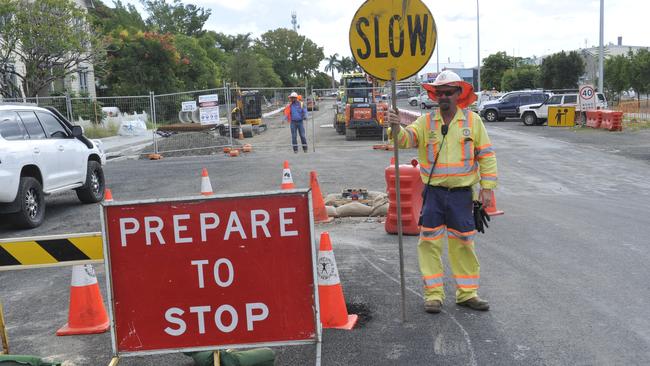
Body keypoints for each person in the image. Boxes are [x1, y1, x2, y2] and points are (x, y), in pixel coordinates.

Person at [387, 70, 498, 314]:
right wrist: (395, 128)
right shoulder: (426, 122)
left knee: (464, 244)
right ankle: (434, 295)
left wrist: (487, 188)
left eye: (449, 92)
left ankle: (467, 294)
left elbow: (486, 155)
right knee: (429, 244)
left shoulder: (473, 122)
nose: (444, 96)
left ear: (459, 93)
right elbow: (405, 140)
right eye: (440, 93)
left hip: (461, 195)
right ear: (435, 96)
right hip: (434, 194)